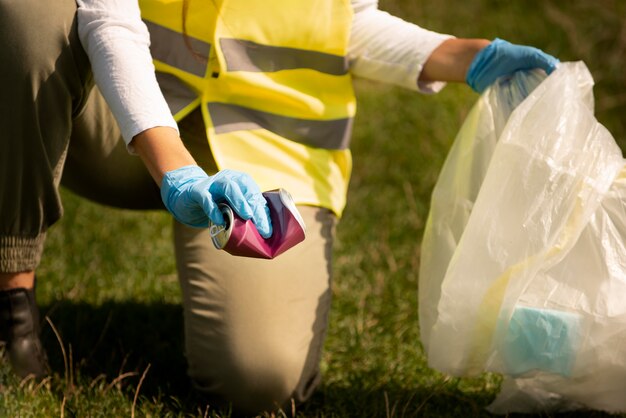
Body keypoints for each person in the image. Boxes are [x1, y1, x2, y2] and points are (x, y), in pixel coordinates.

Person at [0, 0, 558, 414]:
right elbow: (111, 19)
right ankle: (12, 299)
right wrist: (177, 171)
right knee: (28, 14)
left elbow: (346, 19)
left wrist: (463, 57)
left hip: (267, 143)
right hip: (117, 115)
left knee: (259, 380)